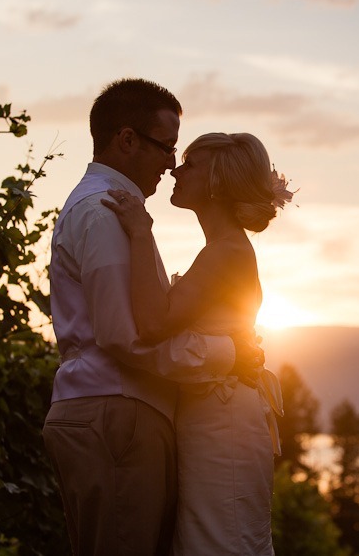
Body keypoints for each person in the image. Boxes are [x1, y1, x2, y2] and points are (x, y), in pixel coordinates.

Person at [42, 79, 262, 556]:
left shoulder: (121, 214)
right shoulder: (107, 213)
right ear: (126, 140)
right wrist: (226, 354)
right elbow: (125, 336)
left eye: (182, 157)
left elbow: (143, 322)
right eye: (167, 148)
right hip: (117, 412)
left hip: (129, 414)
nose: (171, 163)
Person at [101, 132, 293, 555]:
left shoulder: (227, 252)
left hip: (224, 420)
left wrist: (139, 232)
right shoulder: (221, 250)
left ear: (218, 182)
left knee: (220, 541)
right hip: (215, 411)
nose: (175, 168)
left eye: (190, 163)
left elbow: (153, 324)